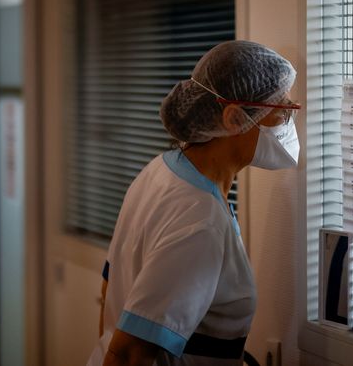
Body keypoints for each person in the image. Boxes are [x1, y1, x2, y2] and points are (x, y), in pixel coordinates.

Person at [87, 40, 301, 366]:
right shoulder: (201, 221)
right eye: (280, 108)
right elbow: (130, 355)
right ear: (233, 118)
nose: (287, 118)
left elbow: (109, 291)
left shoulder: (160, 170)